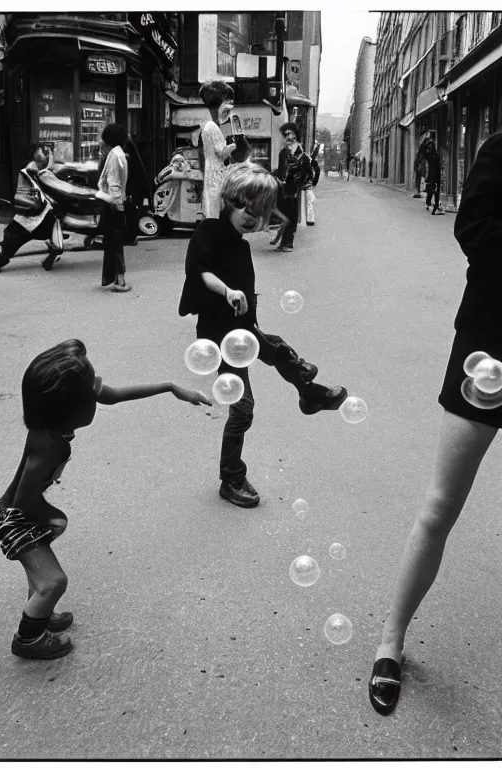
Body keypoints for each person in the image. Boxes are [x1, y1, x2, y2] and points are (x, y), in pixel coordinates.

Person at [368, 131, 502, 715]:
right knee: (440, 505)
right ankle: (390, 642)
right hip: (490, 341)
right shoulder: (499, 147)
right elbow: (473, 230)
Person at [0, 339, 211, 660]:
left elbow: (117, 395)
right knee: (53, 581)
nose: (98, 390)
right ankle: (28, 639)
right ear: (71, 408)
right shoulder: (49, 445)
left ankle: (39, 611)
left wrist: (171, 387)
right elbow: (24, 500)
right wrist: (53, 520)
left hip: (21, 513)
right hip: (15, 518)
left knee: (42, 576)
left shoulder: (55, 417)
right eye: (90, 390)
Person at [178, 162, 348, 508]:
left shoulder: (240, 244)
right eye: (245, 207)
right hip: (218, 337)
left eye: (258, 213)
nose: (250, 217)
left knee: (278, 350)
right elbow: (199, 272)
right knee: (243, 411)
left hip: (241, 331)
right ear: (230, 199)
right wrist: (228, 292)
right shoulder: (209, 232)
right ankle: (231, 479)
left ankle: (309, 393)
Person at [0, 143, 62, 274]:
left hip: (37, 211)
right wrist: (52, 154)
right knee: (15, 235)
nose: (44, 154)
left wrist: (51, 154)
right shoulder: (31, 167)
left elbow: (49, 169)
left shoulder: (33, 167)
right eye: (41, 151)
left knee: (15, 235)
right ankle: (2, 258)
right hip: (35, 211)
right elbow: (50, 170)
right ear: (33, 154)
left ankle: (2, 258)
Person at [96, 122, 131, 292]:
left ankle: (120, 280)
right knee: (113, 242)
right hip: (114, 203)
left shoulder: (114, 156)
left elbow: (114, 184)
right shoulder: (116, 154)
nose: (100, 141)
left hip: (114, 204)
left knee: (115, 243)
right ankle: (117, 279)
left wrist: (118, 207)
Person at [199, 80, 237, 219]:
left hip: (211, 170)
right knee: (217, 207)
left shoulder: (207, 126)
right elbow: (222, 153)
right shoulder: (213, 127)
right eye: (227, 100)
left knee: (212, 207)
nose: (230, 105)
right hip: (217, 171)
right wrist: (234, 145)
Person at [274, 123, 313, 252]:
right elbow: (281, 172)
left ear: (296, 134)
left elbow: (307, 172)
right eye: (286, 134)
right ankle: (284, 241)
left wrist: (303, 184)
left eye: (291, 133)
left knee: (291, 215)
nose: (289, 136)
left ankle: (287, 242)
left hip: (294, 189)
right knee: (284, 214)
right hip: (283, 189)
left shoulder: (302, 154)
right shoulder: (283, 152)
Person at [424, 142, 444, 215]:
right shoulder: (436, 156)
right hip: (436, 177)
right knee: (436, 193)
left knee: (430, 191)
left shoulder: (429, 156)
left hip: (430, 177)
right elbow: (438, 168)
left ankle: (428, 204)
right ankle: (435, 208)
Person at [305, 142, 320, 226]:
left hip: (308, 184)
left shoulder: (312, 161)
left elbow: (317, 171)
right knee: (309, 200)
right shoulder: (312, 161)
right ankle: (309, 219)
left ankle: (309, 219)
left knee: (309, 200)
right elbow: (317, 171)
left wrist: (314, 182)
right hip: (308, 183)